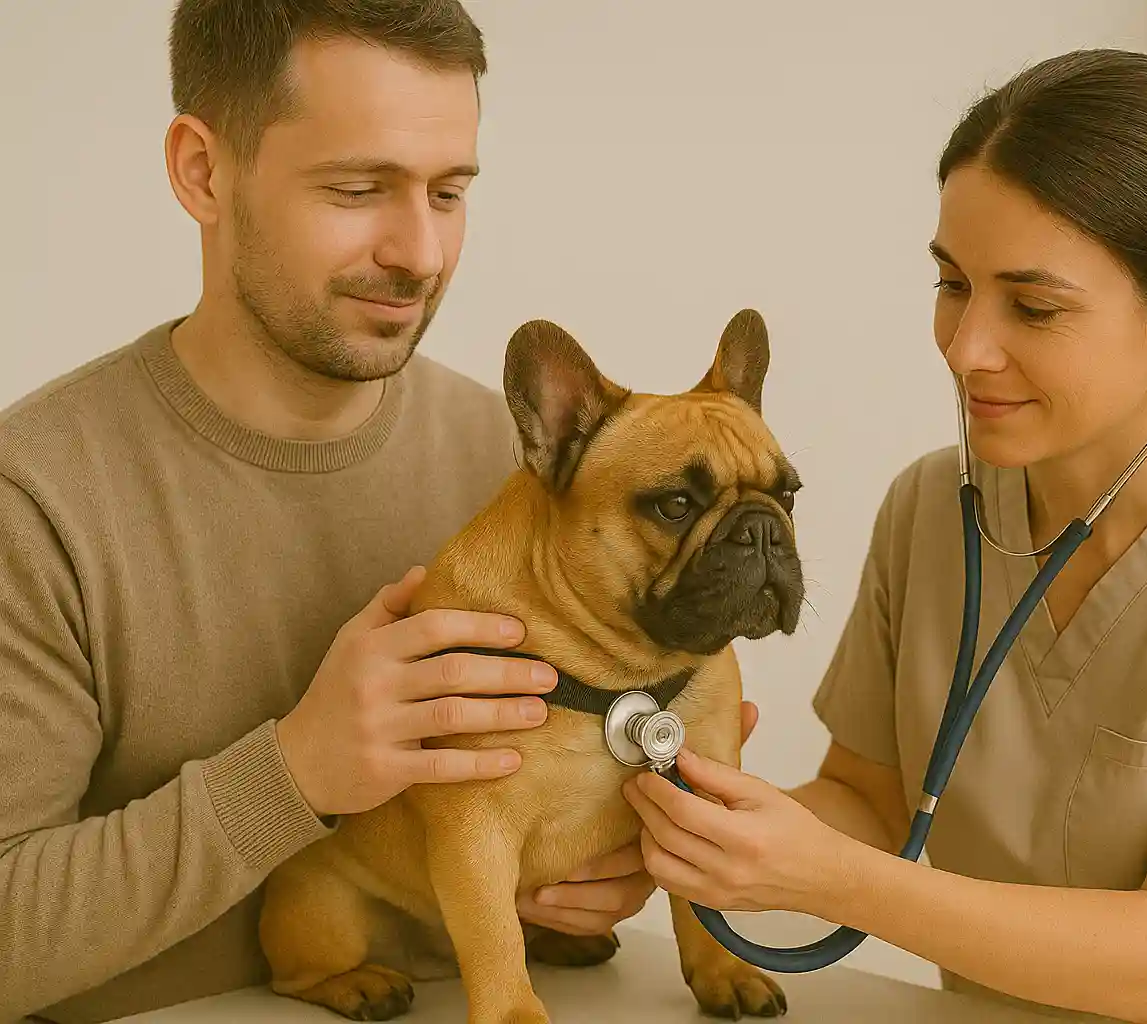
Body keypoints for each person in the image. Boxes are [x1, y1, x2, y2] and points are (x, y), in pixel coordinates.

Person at [624, 48, 1147, 1023]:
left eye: (1034, 306)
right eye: (952, 282)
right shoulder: (932, 507)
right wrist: (682, 829)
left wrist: (826, 878)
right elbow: (869, 805)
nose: (967, 349)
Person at [0, 3, 665, 1021]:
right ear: (202, 171)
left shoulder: (530, 471)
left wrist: (614, 856)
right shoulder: (34, 497)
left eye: (449, 192)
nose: (420, 251)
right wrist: (295, 772)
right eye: (358, 189)